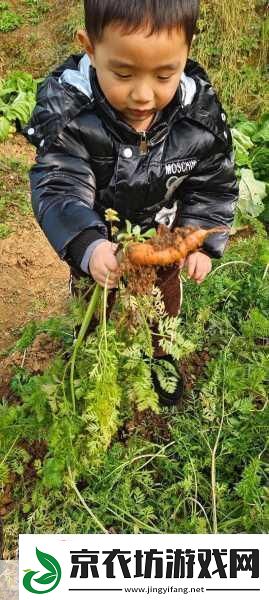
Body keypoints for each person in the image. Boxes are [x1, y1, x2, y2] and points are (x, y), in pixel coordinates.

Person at [23, 0, 238, 406]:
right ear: (90, 48)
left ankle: (160, 358)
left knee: (163, 306)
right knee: (95, 306)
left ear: (187, 53)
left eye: (164, 74)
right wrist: (88, 243)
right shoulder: (71, 113)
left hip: (162, 241)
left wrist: (201, 243)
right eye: (122, 73)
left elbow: (212, 185)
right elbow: (59, 184)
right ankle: (92, 359)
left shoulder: (198, 116)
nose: (143, 95)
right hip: (102, 246)